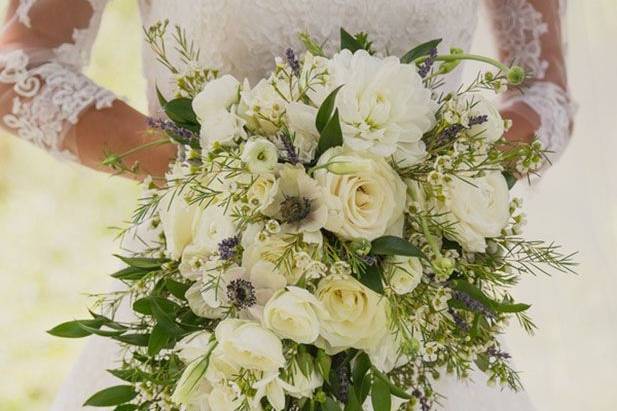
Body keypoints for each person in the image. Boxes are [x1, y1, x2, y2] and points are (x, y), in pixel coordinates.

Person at [0, 1, 573, 410]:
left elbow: (544, 90)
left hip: (413, 295)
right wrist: (217, 179)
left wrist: (435, 185)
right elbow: (21, 67)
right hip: (209, 281)